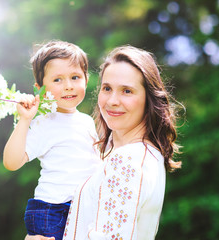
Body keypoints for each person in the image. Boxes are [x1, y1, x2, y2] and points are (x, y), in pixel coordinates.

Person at [26, 45, 182, 240]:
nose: (113, 100)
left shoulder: (127, 161)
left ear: (148, 99)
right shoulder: (134, 154)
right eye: (107, 88)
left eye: (127, 91)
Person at [3, 40, 101, 240]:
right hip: (53, 210)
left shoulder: (87, 121)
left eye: (75, 77)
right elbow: (12, 162)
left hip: (82, 209)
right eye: (57, 80)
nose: (68, 86)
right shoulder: (44, 123)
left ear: (86, 78)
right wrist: (24, 120)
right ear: (40, 88)